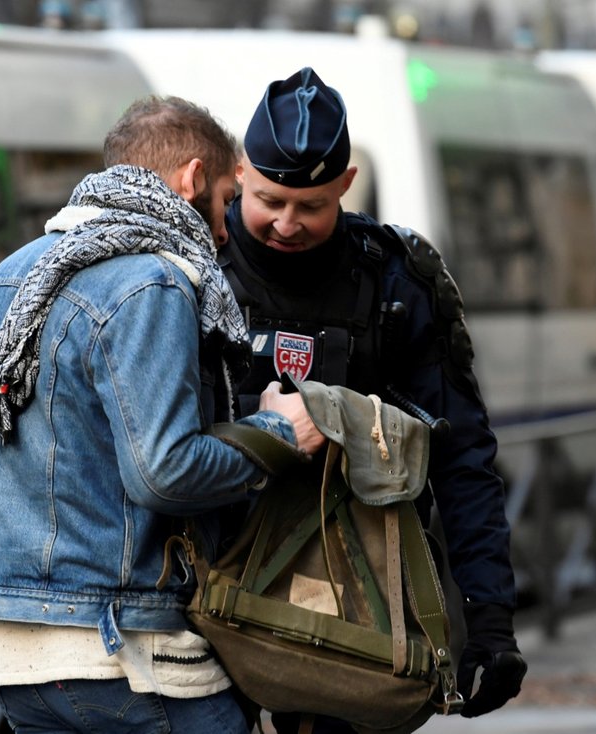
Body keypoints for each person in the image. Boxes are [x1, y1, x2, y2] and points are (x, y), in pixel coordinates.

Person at [0, 94, 325, 734]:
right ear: (192, 178)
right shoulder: (154, 280)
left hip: (19, 663)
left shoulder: (12, 276)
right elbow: (165, 472)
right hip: (127, 651)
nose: (228, 229)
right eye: (229, 200)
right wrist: (278, 433)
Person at [219, 67, 528, 733]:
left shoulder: (396, 281)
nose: (287, 223)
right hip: (209, 591)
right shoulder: (186, 268)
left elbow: (462, 454)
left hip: (361, 605)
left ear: (346, 185)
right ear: (238, 171)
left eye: (311, 206)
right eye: (270, 200)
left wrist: (490, 621)